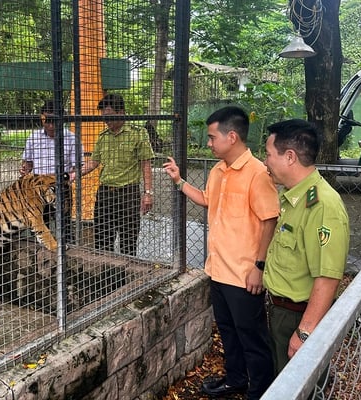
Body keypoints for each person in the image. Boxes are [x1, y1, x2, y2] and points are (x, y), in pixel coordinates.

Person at [163, 106, 279, 400]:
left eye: (212, 137)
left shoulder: (257, 173)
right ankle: (236, 379)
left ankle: (261, 391)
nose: (208, 143)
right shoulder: (218, 170)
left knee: (252, 337)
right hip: (217, 269)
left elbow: (269, 219)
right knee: (228, 331)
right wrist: (179, 181)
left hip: (244, 274)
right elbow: (206, 200)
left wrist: (259, 266)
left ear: (232, 136)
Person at [262, 119, 350, 377]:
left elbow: (328, 277)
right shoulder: (294, 197)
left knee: (300, 385)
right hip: (281, 311)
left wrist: (304, 332)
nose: (265, 161)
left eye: (268, 154)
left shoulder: (322, 206)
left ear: (289, 157)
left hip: (298, 317)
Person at [82, 93, 155, 256]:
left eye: (108, 116)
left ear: (121, 112)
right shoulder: (103, 136)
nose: (105, 120)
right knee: (102, 239)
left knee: (128, 240)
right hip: (105, 193)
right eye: (103, 117)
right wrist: (73, 174)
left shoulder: (138, 133)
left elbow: (146, 164)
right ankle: (104, 277)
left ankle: (125, 277)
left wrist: (148, 193)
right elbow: (94, 162)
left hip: (128, 193)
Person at [20, 100, 81, 242]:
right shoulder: (33, 138)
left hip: (60, 188)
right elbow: (28, 163)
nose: (51, 125)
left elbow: (77, 167)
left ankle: (66, 257)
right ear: (42, 118)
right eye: (47, 121)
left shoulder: (72, 139)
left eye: (54, 121)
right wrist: (25, 170)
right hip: (37, 190)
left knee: (64, 227)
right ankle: (39, 257)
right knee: (38, 227)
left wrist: (71, 176)